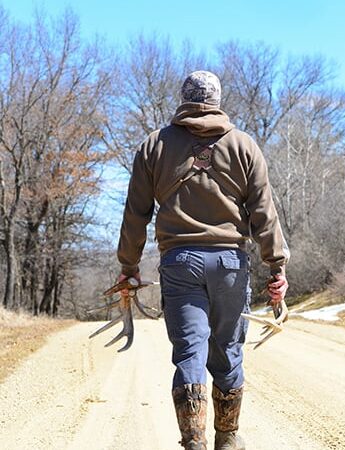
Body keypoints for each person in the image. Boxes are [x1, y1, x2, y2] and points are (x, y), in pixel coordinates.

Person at [116, 70, 289, 450]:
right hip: (230, 264)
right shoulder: (244, 145)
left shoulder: (154, 146)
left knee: (190, 352)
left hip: (180, 263)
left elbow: (135, 214)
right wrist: (276, 266)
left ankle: (193, 443)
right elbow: (264, 213)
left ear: (184, 98)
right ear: (217, 99)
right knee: (227, 352)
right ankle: (227, 440)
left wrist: (129, 266)